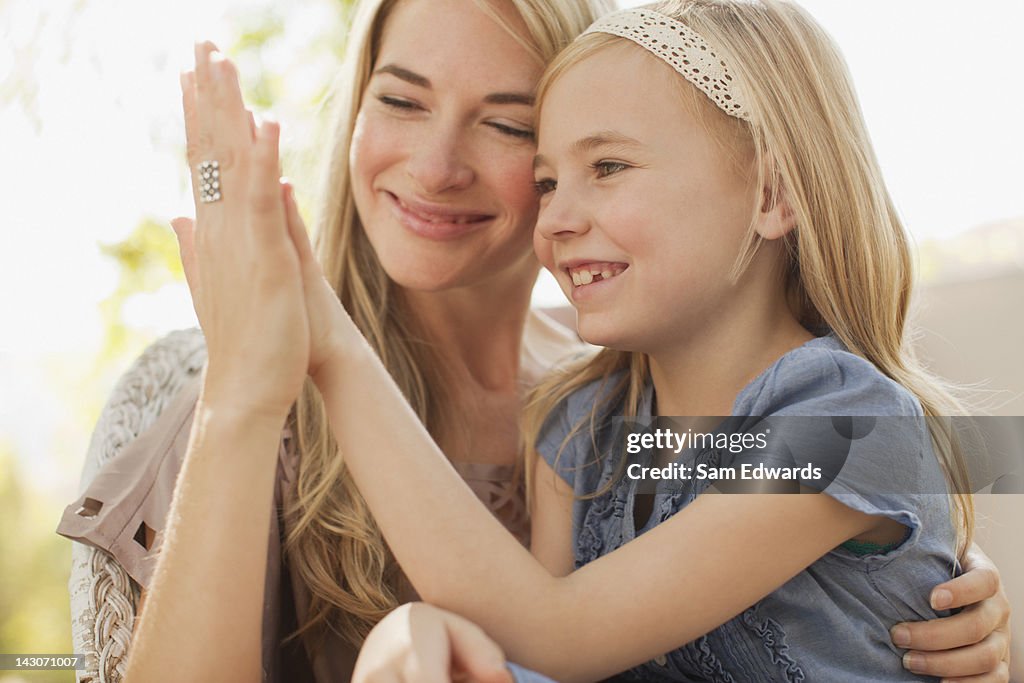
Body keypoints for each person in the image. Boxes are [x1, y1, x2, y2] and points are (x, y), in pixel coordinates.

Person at [56, 0, 1010, 681]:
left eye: (514, 128)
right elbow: (535, 647)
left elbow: (560, 625)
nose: (436, 165)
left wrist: (909, 576)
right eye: (554, 175)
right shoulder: (589, 427)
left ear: (770, 193)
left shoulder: (813, 428)